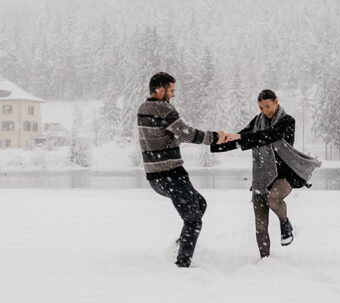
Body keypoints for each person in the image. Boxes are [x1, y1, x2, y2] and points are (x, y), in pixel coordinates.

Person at [212, 89, 321, 258]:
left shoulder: (287, 121)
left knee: (273, 199)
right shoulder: (257, 121)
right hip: (262, 177)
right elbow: (241, 139)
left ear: (276, 102)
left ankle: (285, 223)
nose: (264, 111)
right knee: (260, 226)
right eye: (261, 108)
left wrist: (241, 137)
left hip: (285, 174)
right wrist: (214, 143)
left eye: (267, 106)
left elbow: (270, 136)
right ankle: (265, 261)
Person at [137, 72, 229, 268]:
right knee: (194, 220)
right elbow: (185, 133)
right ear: (160, 90)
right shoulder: (163, 109)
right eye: (171, 90)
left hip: (155, 178)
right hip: (172, 174)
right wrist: (214, 137)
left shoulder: (143, 109)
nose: (173, 94)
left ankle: (180, 246)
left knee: (200, 204)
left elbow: (163, 136)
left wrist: (176, 137)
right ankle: (182, 264)